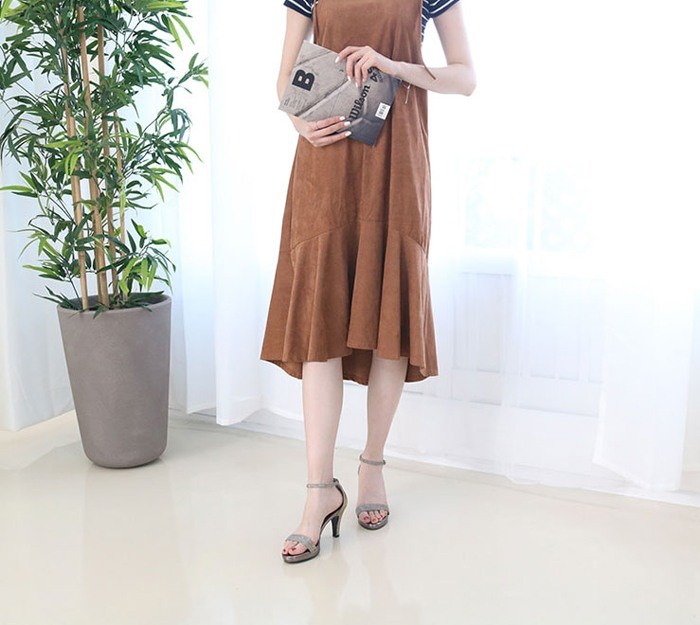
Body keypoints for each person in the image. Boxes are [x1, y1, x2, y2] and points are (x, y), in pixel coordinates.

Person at [260, 0, 476, 563]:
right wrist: (300, 123)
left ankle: (372, 465)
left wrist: (394, 65)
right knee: (320, 320)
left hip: (397, 162)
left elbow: (466, 77)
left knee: (389, 314)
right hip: (325, 161)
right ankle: (319, 491)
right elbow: (286, 75)